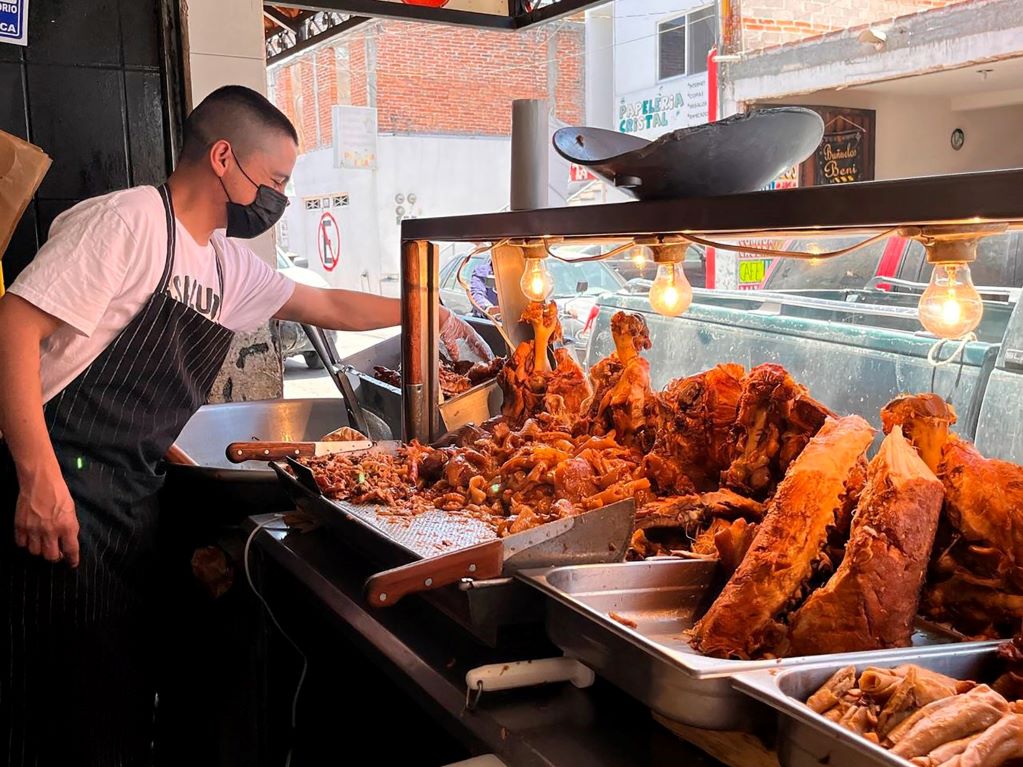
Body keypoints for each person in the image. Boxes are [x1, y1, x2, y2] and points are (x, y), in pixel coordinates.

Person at [0, 85, 488, 765]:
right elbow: (15, 325)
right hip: (63, 481)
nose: (278, 199)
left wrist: (426, 309)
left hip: (129, 494)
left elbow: (326, 302)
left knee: (114, 688)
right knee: (55, 698)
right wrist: (37, 476)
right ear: (224, 157)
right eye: (277, 180)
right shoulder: (131, 220)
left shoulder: (227, 266)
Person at [469, 255, 501, 320]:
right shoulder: (481, 272)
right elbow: (477, 294)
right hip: (486, 321)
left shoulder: (520, 275)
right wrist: (488, 309)